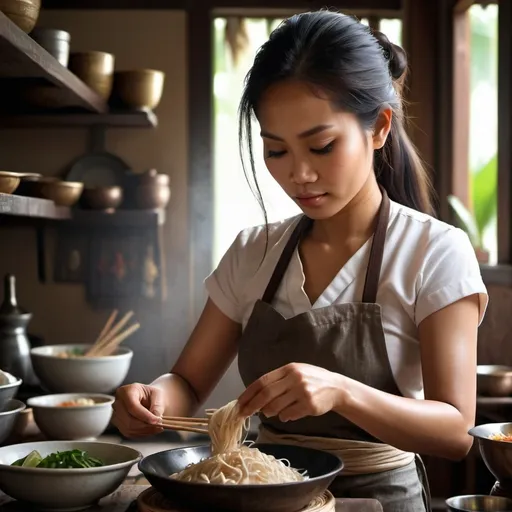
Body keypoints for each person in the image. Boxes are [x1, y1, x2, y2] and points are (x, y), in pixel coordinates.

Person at [112, 10, 488, 512]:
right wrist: (153, 399)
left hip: (381, 499)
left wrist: (342, 391)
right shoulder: (253, 251)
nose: (300, 175)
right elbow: (187, 384)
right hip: (266, 495)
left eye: (321, 145)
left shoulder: (433, 251)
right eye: (276, 151)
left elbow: (457, 430)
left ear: (378, 127)